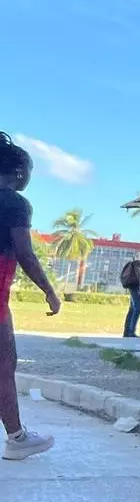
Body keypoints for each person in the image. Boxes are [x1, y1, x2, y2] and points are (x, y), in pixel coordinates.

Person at [0, 132, 61, 460]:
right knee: (3, 364)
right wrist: (49, 291)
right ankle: (17, 438)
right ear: (20, 172)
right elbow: (25, 253)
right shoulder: (13, 202)